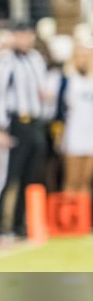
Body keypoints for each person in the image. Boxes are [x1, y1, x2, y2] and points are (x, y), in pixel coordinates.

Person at [0, 24, 55, 241]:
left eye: (28, 35)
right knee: (6, 177)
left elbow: (41, 90)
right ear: (14, 36)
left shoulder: (36, 59)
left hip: (35, 122)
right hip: (15, 123)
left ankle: (18, 226)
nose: (25, 39)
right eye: (21, 35)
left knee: (29, 177)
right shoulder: (5, 60)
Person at [58, 37, 93, 196]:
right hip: (73, 135)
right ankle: (69, 219)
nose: (82, 60)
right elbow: (59, 112)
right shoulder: (67, 80)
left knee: (86, 180)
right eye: (79, 56)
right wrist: (58, 134)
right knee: (72, 179)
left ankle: (84, 218)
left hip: (90, 135)